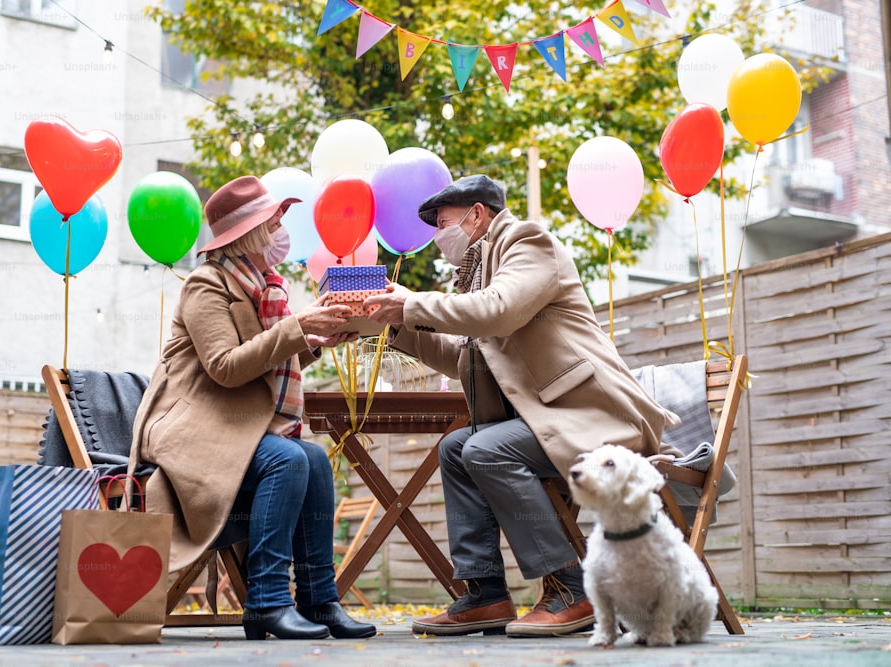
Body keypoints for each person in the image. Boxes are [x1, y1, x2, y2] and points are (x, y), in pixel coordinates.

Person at [363, 174, 678, 637]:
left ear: (476, 215)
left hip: (593, 415)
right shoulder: (475, 274)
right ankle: (486, 593)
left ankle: (573, 586)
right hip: (551, 419)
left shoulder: (528, 243)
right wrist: (395, 329)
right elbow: (459, 358)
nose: (437, 238)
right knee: (457, 447)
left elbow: (500, 309)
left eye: (443, 224)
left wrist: (413, 305)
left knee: (485, 448)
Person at [127, 175, 376, 641]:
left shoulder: (264, 287)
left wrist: (315, 342)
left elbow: (264, 358)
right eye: (274, 220)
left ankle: (320, 600)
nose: (283, 228)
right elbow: (225, 368)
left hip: (238, 430)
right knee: (287, 458)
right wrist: (298, 328)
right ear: (249, 233)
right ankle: (265, 602)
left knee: (315, 458)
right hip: (195, 435)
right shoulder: (206, 285)